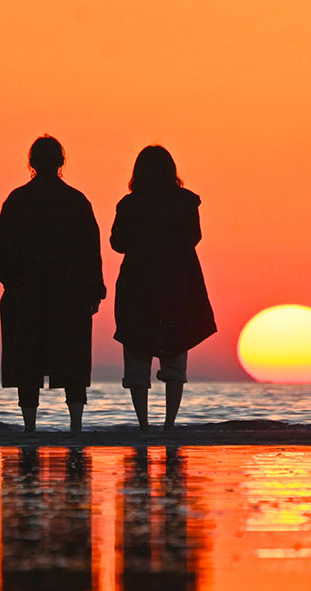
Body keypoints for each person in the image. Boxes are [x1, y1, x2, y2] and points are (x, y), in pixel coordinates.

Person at [0, 136, 106, 433]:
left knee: (27, 360)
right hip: (69, 292)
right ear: (61, 162)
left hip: (26, 291)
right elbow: (91, 250)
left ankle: (30, 427)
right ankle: (76, 426)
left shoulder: (18, 200)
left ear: (32, 163)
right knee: (73, 361)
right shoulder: (76, 201)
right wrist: (95, 290)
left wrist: (10, 280)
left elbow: (1, 245)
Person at [110, 145, 216, 431]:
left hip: (138, 284)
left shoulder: (130, 204)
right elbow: (195, 237)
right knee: (175, 353)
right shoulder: (186, 202)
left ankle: (143, 424)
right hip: (178, 284)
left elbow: (117, 243)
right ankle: (170, 424)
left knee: (137, 355)